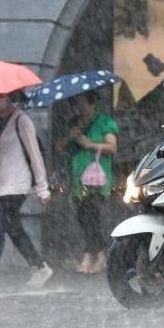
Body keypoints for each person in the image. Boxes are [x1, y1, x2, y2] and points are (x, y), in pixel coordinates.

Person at [0, 90, 53, 289]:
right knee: (14, 230)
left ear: (10, 96)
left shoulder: (22, 121)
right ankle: (40, 267)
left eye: (1, 95)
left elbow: (35, 154)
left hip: (18, 182)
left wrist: (42, 188)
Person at [56, 90, 119, 274]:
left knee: (91, 216)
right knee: (83, 217)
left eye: (83, 103)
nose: (80, 107)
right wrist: (70, 136)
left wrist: (89, 144)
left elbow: (112, 147)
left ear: (93, 103)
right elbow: (59, 147)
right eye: (77, 104)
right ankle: (101, 256)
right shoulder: (73, 123)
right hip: (78, 179)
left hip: (96, 180)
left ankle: (88, 257)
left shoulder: (104, 122)